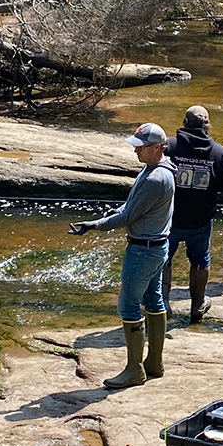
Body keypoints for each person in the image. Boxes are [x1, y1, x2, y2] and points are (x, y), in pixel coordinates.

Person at [69, 122, 175, 389]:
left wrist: (95, 225)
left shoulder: (155, 179)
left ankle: (134, 369)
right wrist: (106, 216)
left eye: (141, 147)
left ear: (157, 148)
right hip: (156, 246)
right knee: (154, 300)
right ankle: (154, 363)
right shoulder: (155, 170)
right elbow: (130, 205)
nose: (135, 151)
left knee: (128, 305)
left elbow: (128, 216)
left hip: (143, 250)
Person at [164, 106, 223, 322]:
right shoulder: (219, 153)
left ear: (185, 123)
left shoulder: (169, 146)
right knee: (200, 261)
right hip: (201, 219)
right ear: (207, 125)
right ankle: (197, 304)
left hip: (170, 217)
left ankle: (163, 304)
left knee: (163, 258)